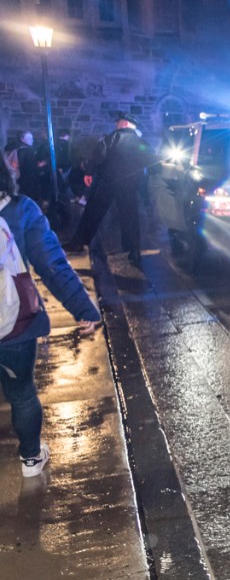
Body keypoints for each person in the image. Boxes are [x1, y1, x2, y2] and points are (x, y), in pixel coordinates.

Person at [0, 157, 102, 478]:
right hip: (13, 324)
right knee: (21, 392)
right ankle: (31, 458)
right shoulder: (20, 210)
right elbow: (52, 266)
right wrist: (83, 309)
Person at [65, 115, 152, 267]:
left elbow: (98, 156)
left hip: (108, 182)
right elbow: (150, 160)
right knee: (130, 218)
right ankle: (133, 252)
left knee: (93, 212)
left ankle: (79, 242)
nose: (116, 125)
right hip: (128, 185)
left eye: (117, 123)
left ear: (124, 123)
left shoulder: (112, 138)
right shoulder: (140, 141)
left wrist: (89, 173)